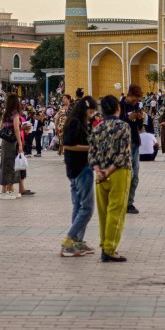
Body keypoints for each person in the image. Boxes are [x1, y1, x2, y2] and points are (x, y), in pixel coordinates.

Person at [89, 96, 133, 263]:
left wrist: (98, 170)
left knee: (103, 212)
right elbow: (124, 152)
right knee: (116, 211)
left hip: (100, 174)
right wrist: (110, 170)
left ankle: (104, 245)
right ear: (117, 108)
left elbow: (91, 152)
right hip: (119, 172)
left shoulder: (97, 127)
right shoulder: (123, 126)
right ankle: (110, 249)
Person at [60, 96, 97, 258]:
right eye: (90, 112)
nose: (91, 115)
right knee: (87, 208)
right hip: (80, 168)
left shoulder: (77, 122)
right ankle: (70, 240)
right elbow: (67, 145)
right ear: (85, 109)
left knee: (78, 205)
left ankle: (77, 241)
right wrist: (91, 148)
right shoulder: (75, 123)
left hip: (75, 168)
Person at [119, 84, 144, 214]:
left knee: (135, 176)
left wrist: (140, 119)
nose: (136, 101)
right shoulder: (120, 106)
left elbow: (139, 127)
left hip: (134, 142)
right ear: (129, 95)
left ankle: (129, 203)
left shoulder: (136, 106)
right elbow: (116, 123)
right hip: (123, 144)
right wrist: (128, 118)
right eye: (135, 98)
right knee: (127, 174)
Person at [0, 94, 23, 199]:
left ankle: (8, 189)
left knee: (5, 164)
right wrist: (20, 144)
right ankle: (4, 191)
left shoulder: (5, 113)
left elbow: (0, 126)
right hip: (12, 143)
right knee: (9, 165)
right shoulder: (15, 114)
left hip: (5, 142)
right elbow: (16, 129)